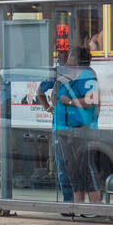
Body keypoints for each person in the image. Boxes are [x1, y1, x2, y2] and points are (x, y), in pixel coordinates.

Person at [58, 45, 102, 203]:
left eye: (70, 56)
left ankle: (96, 207)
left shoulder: (87, 75)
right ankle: (78, 207)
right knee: (74, 170)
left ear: (77, 59)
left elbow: (92, 100)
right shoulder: (70, 75)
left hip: (82, 129)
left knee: (88, 168)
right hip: (68, 128)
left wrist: (69, 101)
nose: (67, 59)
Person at [36, 46, 73, 202]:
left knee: (64, 165)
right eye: (60, 52)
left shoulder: (61, 72)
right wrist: (48, 108)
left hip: (63, 125)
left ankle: (70, 202)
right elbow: (39, 92)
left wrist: (49, 107)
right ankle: (71, 201)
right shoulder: (59, 73)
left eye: (65, 52)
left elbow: (40, 92)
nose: (62, 55)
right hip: (67, 124)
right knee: (66, 165)